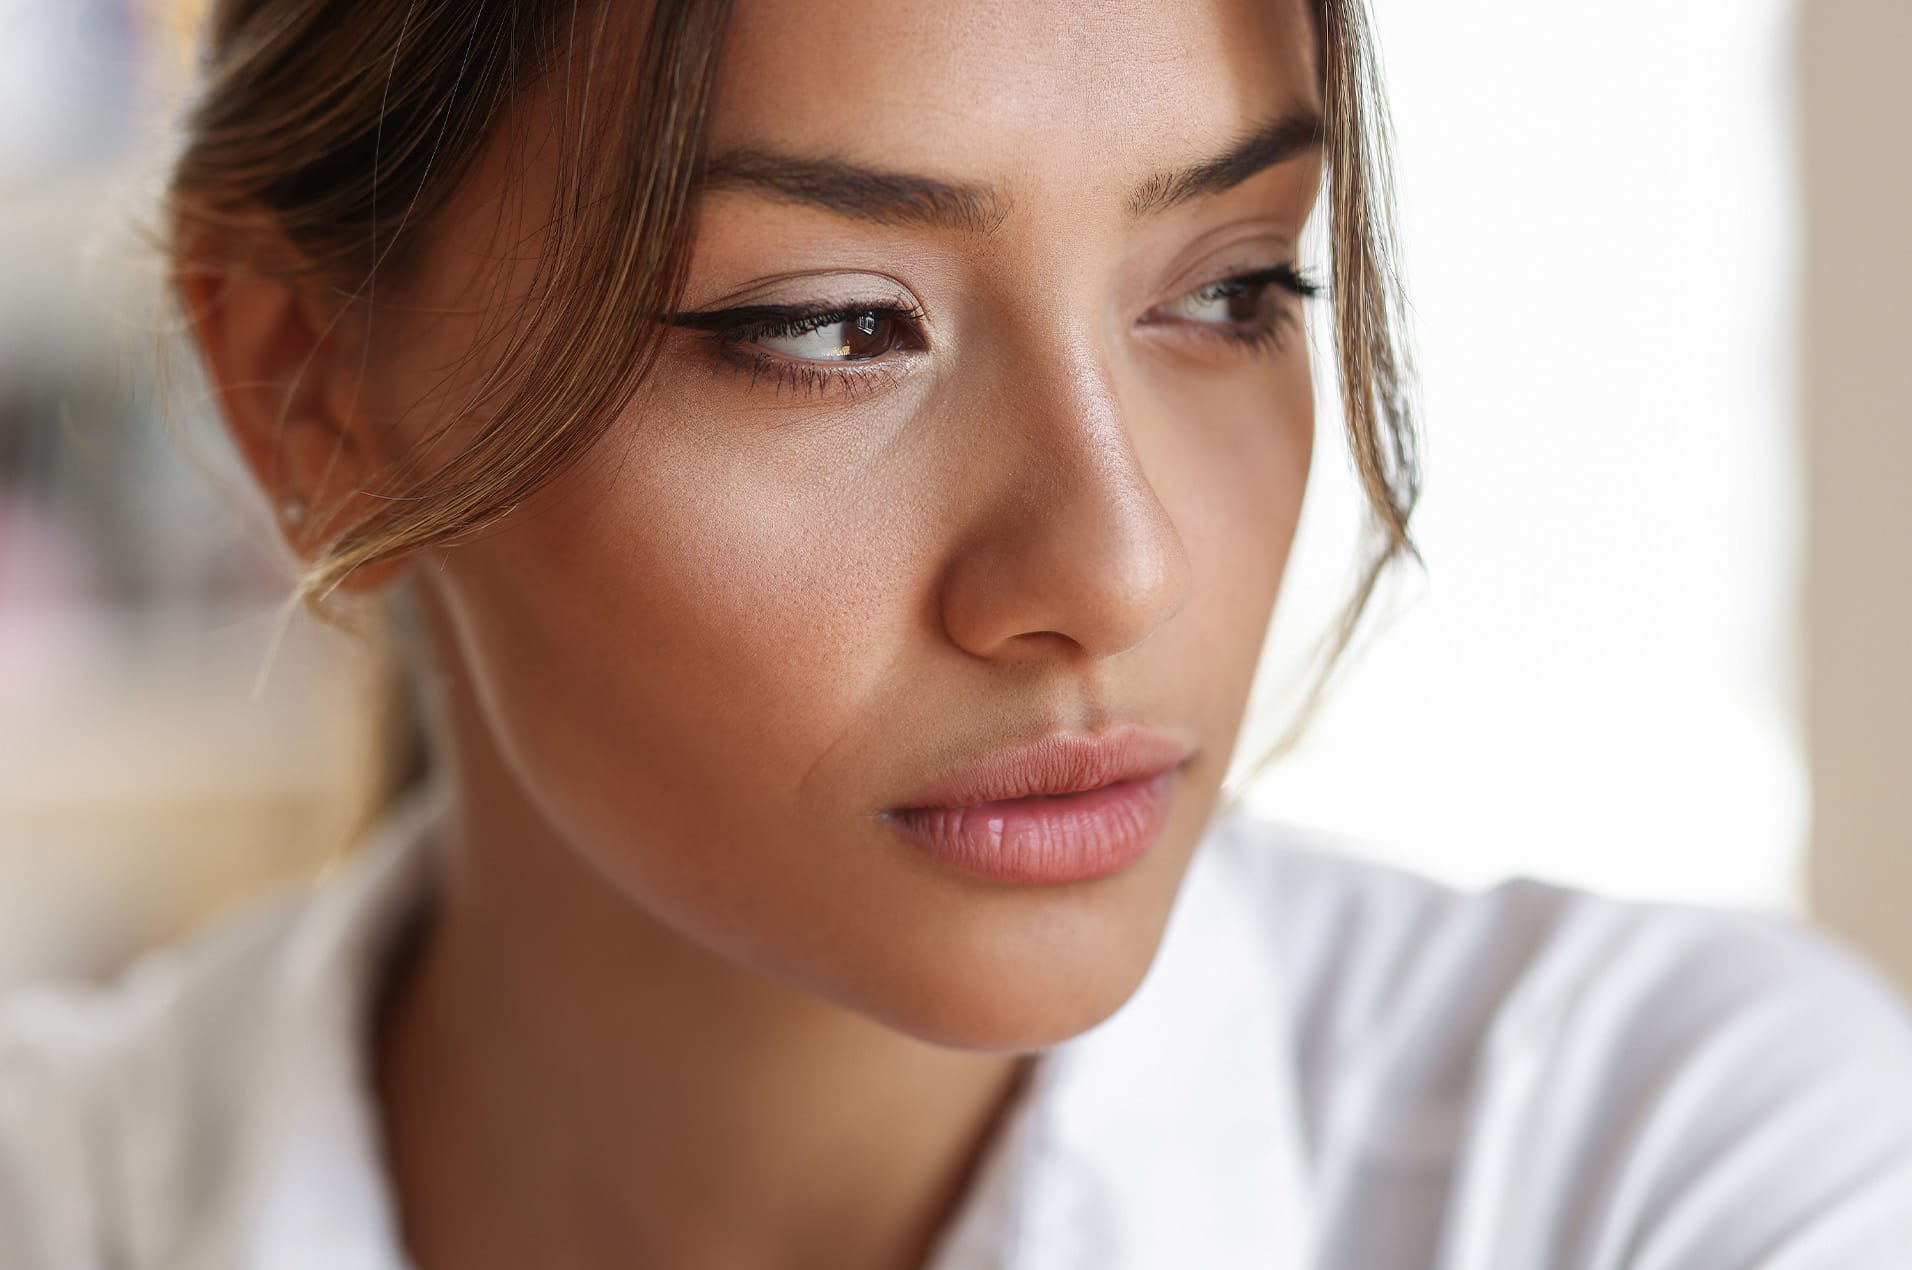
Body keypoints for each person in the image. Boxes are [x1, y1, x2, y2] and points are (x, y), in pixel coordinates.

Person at [4, 1, 1910, 1266]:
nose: (1116, 565)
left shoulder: (1675, 1172)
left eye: (1236, 287)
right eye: (834, 324)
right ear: (307, 388)